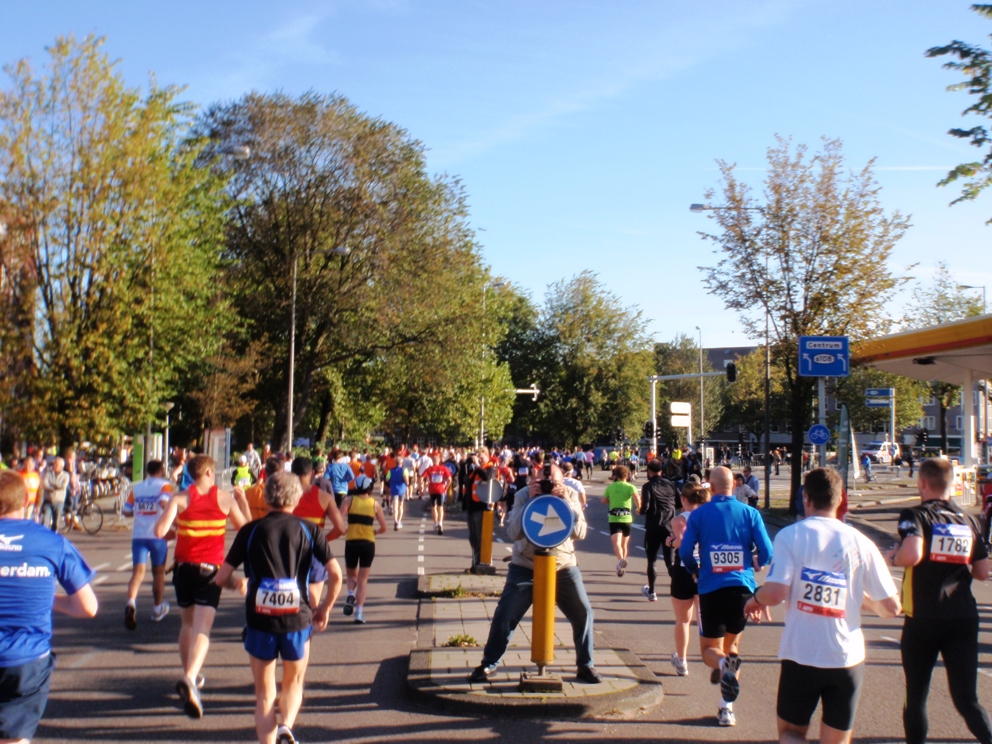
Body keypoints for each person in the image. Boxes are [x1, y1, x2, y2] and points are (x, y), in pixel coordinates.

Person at [743, 468, 901, 744]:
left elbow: (777, 591)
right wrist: (856, 599)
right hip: (846, 659)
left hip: (801, 654)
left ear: (805, 498)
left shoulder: (791, 536)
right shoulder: (862, 543)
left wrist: (755, 599)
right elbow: (891, 607)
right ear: (841, 499)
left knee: (790, 734)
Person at [214, 470, 343, 744]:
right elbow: (336, 574)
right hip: (298, 618)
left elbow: (221, 577)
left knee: (264, 693)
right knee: (293, 682)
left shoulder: (250, 531)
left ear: (267, 497)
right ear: (296, 498)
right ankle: (286, 725)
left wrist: (238, 585)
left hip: (260, 620)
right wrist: (326, 608)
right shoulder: (310, 530)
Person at [889, 458, 992, 744]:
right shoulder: (970, 520)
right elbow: (982, 572)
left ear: (922, 483)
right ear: (951, 485)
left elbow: (912, 555)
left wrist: (893, 557)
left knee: (916, 696)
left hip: (924, 617)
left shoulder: (915, 515)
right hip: (963, 617)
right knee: (966, 699)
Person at [469, 463, 601, 685]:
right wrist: (531, 501)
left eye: (554, 482)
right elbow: (513, 532)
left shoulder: (569, 494)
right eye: (542, 481)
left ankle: (585, 666)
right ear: (533, 479)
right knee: (506, 613)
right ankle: (489, 663)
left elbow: (580, 532)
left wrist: (567, 503)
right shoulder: (522, 495)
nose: (548, 486)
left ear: (563, 481)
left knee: (584, 612)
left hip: (562, 565)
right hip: (526, 565)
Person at [0, 471, 98, 742]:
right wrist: (45, 596)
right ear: (27, 502)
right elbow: (88, 607)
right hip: (27, 662)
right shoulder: (52, 542)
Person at [154, 454, 252, 719]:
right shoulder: (224, 499)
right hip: (210, 571)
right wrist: (242, 503)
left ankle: (192, 679)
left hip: (183, 569)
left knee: (187, 624)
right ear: (209, 473)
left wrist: (178, 529)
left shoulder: (180, 498)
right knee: (202, 628)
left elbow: (160, 531)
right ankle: (189, 677)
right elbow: (245, 531)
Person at [679, 465, 774, 727]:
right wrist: (758, 562)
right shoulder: (750, 513)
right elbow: (766, 550)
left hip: (711, 588)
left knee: (711, 650)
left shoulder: (699, 515)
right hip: (743, 589)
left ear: (710, 485)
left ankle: (721, 666)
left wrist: (694, 569)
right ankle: (726, 709)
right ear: (733, 485)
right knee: (732, 648)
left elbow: (686, 551)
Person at [666, 481, 710, 677]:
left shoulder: (680, 519)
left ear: (683, 499)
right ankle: (714, 655)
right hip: (706, 570)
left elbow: (682, 542)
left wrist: (671, 541)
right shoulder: (708, 516)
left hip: (684, 570)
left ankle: (682, 661)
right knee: (704, 618)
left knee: (683, 620)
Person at [123, 460, 174, 629]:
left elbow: (126, 511)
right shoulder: (165, 486)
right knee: (158, 573)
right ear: (161, 470)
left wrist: (140, 512)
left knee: (137, 573)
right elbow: (163, 503)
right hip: (157, 534)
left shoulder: (137, 488)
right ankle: (158, 608)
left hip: (139, 535)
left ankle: (131, 602)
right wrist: (171, 517)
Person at [290, 457, 346, 606]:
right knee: (312, 599)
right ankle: (310, 623)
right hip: (314, 551)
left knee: (287, 597)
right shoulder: (325, 497)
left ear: (291, 472)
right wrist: (323, 540)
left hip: (288, 550)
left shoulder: (284, 497)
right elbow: (341, 528)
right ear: (313, 473)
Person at [339, 474, 387, 623]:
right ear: (369, 488)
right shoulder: (375, 504)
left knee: (351, 575)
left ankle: (350, 592)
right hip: (368, 543)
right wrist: (375, 532)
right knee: (363, 580)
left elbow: (339, 520)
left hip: (351, 542)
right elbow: (384, 527)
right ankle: (359, 612)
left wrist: (345, 530)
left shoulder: (348, 501)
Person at [639, 459, 680, 602]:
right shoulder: (671, 484)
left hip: (653, 527)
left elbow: (645, 507)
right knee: (670, 561)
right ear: (661, 471)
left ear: (649, 472)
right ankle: (679, 588)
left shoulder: (648, 486)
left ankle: (652, 591)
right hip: (669, 527)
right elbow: (679, 502)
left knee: (652, 560)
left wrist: (640, 511)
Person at [602, 465, 640, 577]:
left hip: (614, 518)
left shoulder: (611, 487)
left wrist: (612, 501)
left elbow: (603, 500)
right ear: (627, 475)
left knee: (616, 543)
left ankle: (620, 561)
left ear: (615, 475)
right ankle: (622, 562)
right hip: (627, 518)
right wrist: (639, 507)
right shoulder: (630, 487)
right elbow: (637, 498)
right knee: (624, 544)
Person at [422, 454, 452, 535]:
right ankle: (440, 523)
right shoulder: (443, 468)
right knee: (440, 507)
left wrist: (421, 488)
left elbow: (422, 477)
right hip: (441, 490)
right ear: (439, 461)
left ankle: (435, 523)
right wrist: (446, 487)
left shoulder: (429, 469)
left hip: (432, 490)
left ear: (432, 461)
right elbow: (449, 479)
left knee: (433, 507)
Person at [40, 456, 70, 532]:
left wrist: (52, 485)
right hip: (48, 500)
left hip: (59, 501)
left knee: (56, 522)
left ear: (61, 467)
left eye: (57, 464)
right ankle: (44, 535)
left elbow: (63, 486)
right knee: (45, 520)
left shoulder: (66, 475)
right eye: (54, 464)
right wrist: (54, 487)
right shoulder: (48, 473)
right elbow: (45, 484)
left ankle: (54, 536)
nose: (54, 466)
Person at [387, 458, 410, 530]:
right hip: (402, 489)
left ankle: (395, 520)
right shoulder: (404, 470)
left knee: (395, 506)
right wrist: (407, 483)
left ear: (395, 463)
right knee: (401, 505)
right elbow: (406, 480)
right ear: (402, 462)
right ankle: (399, 521)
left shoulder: (390, 470)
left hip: (393, 489)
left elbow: (387, 479)